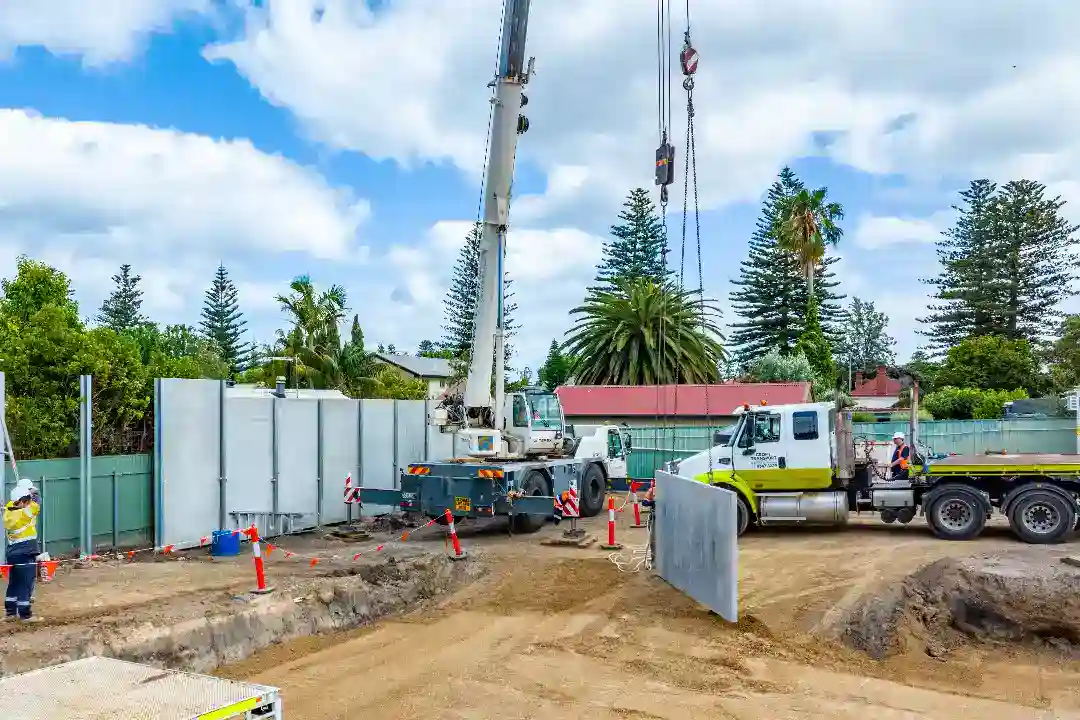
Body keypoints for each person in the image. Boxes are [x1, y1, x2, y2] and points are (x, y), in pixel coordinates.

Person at [4, 480, 42, 622]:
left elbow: (14, 503)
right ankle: (25, 614)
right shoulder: (27, 511)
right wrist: (31, 494)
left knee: (14, 582)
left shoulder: (8, 511)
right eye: (26, 499)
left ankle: (10, 612)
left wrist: (23, 491)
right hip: (26, 551)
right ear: (22, 501)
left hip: (12, 553)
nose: (29, 501)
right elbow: (36, 503)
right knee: (25, 583)